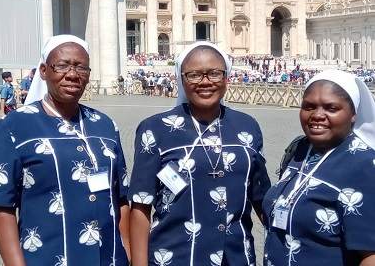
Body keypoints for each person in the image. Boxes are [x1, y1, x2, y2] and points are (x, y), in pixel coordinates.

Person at [128, 41, 271, 266]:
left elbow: (260, 197)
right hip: (175, 257)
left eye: (214, 73)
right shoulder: (155, 129)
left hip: (236, 257)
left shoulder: (248, 127)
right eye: (194, 75)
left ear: (226, 76)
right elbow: (140, 205)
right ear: (182, 79)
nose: (205, 82)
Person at [0, 34, 130, 266]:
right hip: (47, 256)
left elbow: (121, 198)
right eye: (62, 66)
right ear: (44, 71)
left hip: (108, 258)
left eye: (81, 68)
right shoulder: (14, 126)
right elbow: (1, 205)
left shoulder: (105, 125)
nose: (72, 74)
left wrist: (126, 252)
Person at [262, 69, 375, 266]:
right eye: (309, 106)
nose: (317, 115)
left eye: (331, 108)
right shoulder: (300, 150)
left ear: (353, 114)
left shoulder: (364, 168)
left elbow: (370, 254)